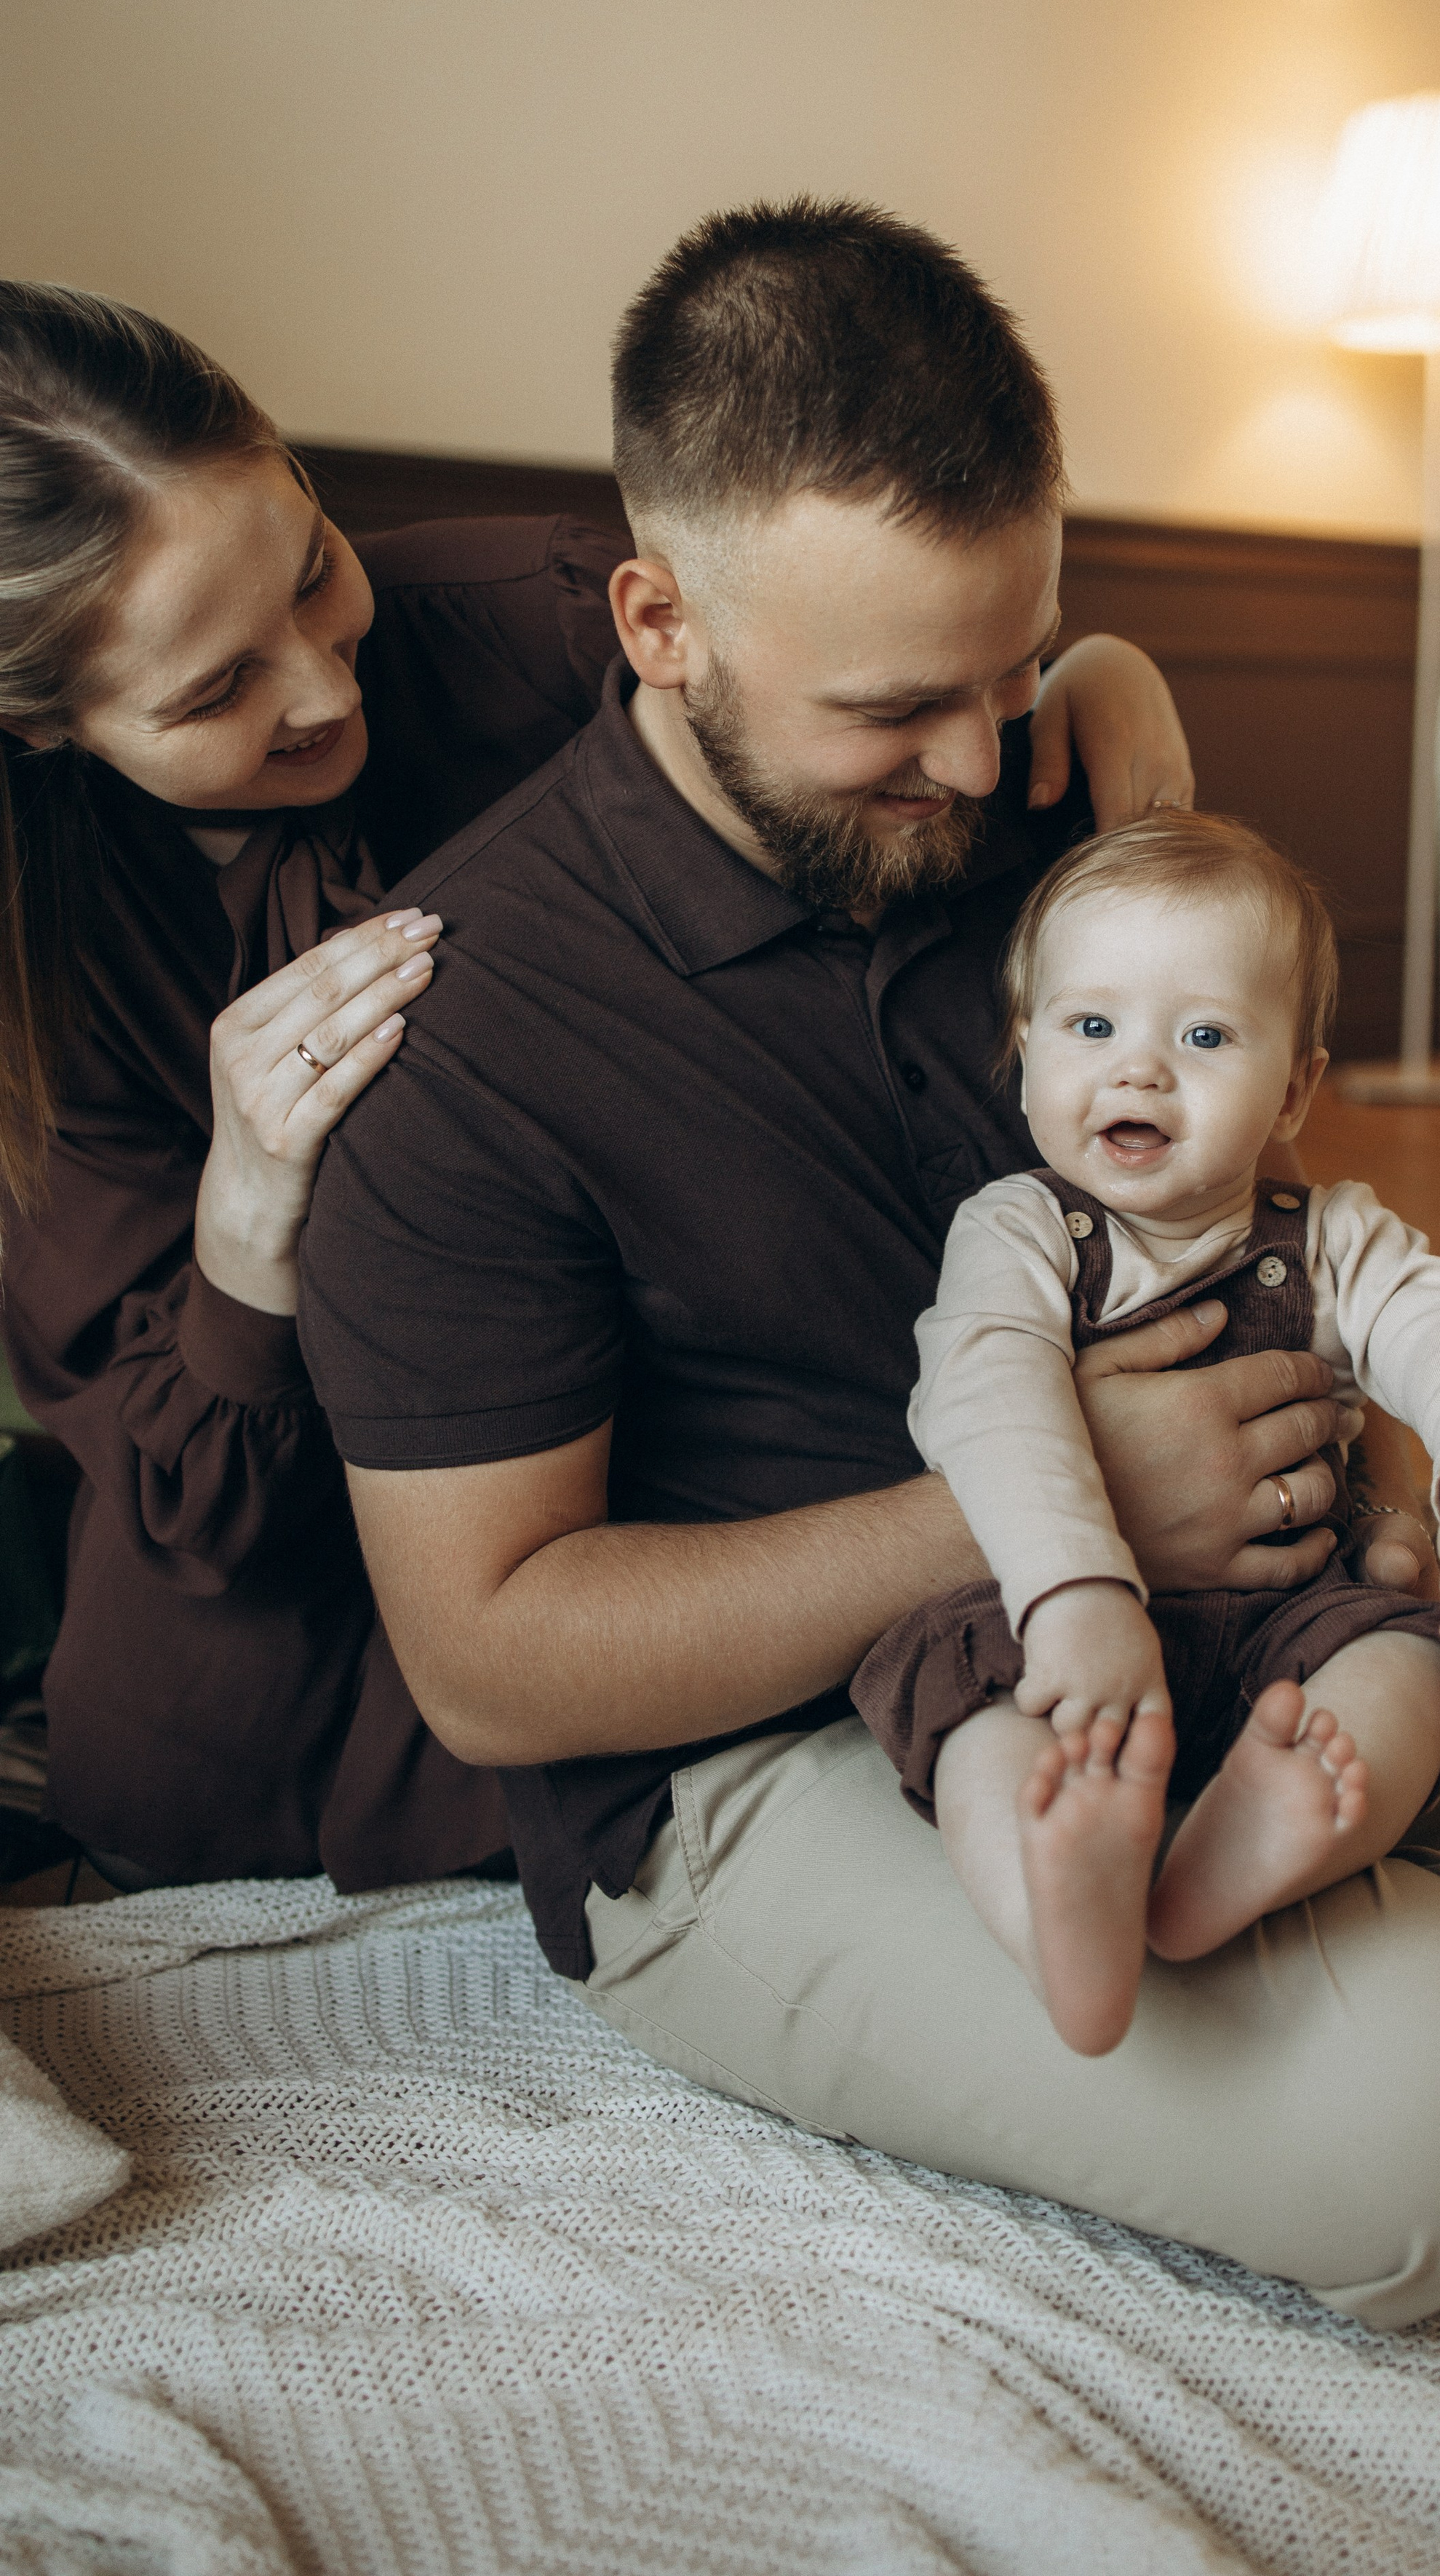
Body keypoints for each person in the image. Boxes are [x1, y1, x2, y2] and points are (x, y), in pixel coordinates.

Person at [300, 200, 1440, 2330]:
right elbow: (492, 1663)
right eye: (896, 709)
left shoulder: (1047, 785)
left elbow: (1286, 1189)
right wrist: (1071, 1501)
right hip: (805, 1755)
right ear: (661, 622)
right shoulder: (463, 1040)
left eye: (1013, 664)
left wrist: (1426, 1466)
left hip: (1295, 1584)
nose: (976, 761)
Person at [0, 277, 1193, 1890]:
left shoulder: (551, 624)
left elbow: (860, 661)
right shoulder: (42, 971)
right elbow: (192, 1509)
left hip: (682, 1440)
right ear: (47, 727)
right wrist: (247, 1220)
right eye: (217, 691)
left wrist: (1082, 675)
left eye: (314, 572)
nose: (326, 689)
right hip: (320, 1565)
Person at [852, 810, 1440, 2056]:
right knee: (969, 1711)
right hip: (1053, 1628)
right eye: (1091, 1027)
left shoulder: (1331, 1234)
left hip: (1291, 1620)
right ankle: (1058, 1901)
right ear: (1026, 1049)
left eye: (1205, 1036)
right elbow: (989, 1399)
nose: (1140, 1072)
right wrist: (1074, 1595)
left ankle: (1263, 1837)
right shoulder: (1020, 1231)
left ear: (1296, 1089)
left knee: (1409, 1666)